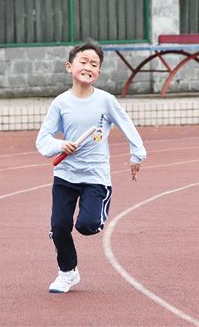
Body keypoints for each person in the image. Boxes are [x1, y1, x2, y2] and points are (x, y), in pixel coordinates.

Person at [36, 40, 147, 293]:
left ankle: (98, 211)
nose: (88, 66)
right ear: (69, 66)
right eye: (83, 61)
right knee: (59, 227)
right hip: (64, 175)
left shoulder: (105, 101)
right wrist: (59, 145)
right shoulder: (60, 103)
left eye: (94, 64)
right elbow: (43, 140)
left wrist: (137, 154)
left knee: (87, 226)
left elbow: (127, 125)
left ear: (99, 72)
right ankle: (67, 272)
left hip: (95, 177)